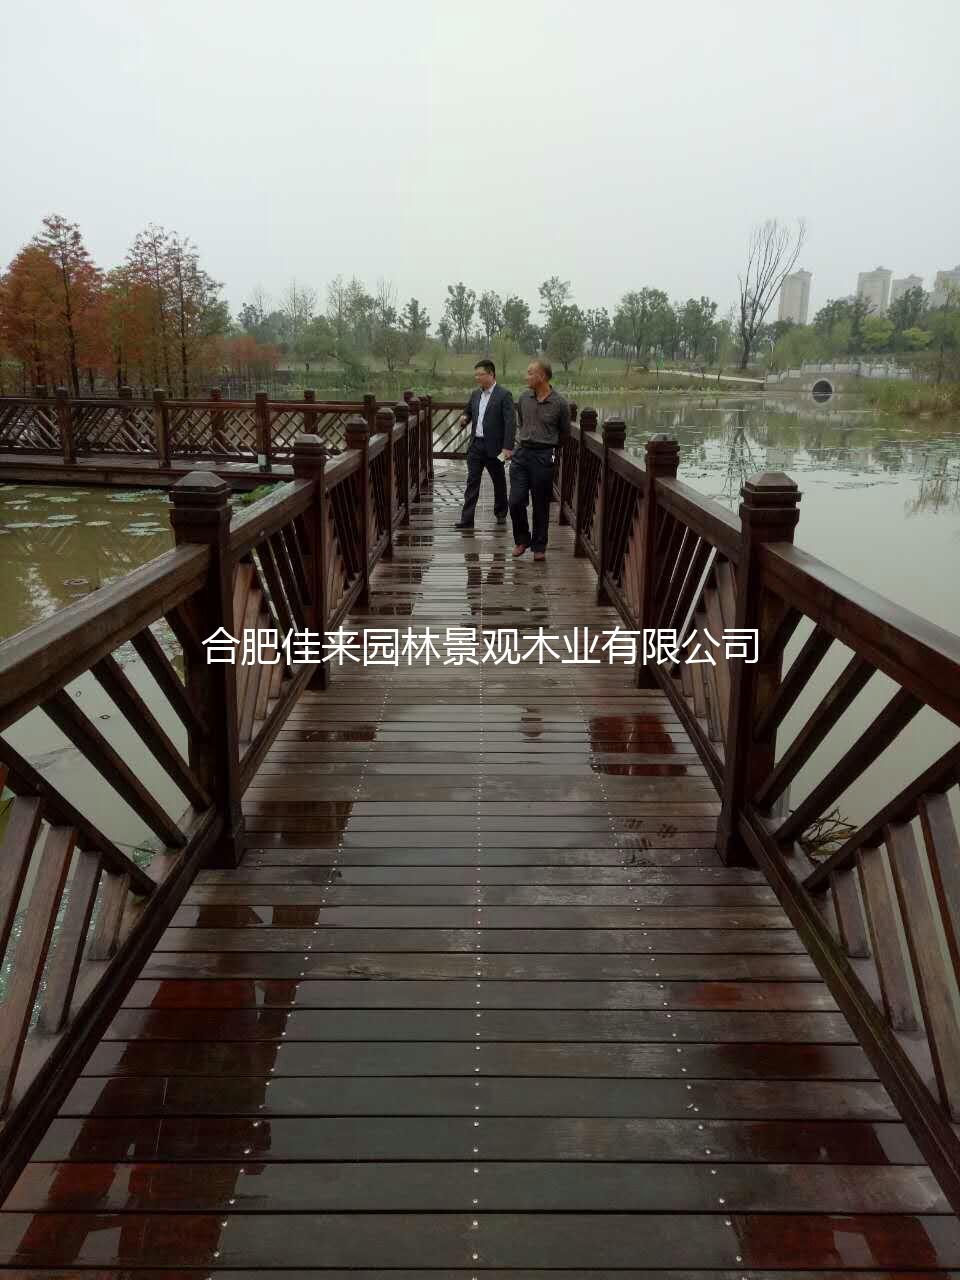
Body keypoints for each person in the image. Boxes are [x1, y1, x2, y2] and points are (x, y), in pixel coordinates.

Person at [509, 358, 570, 560]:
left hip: (544, 456)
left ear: (542, 376)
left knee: (541, 504)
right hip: (521, 455)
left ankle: (539, 546)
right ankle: (522, 539)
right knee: (515, 501)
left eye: (530, 373)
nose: (526, 377)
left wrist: (549, 449)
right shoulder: (523, 398)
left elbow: (565, 434)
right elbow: (522, 422)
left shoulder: (560, 404)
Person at [454, 359, 515, 529]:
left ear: (491, 374)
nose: (477, 378)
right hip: (476, 446)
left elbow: (510, 423)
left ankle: (501, 513)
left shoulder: (504, 395)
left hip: (496, 448)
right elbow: (468, 411)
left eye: (480, 374)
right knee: (472, 482)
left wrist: (507, 447)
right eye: (476, 375)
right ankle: (467, 520)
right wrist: (465, 417)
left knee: (499, 482)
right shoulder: (475, 394)